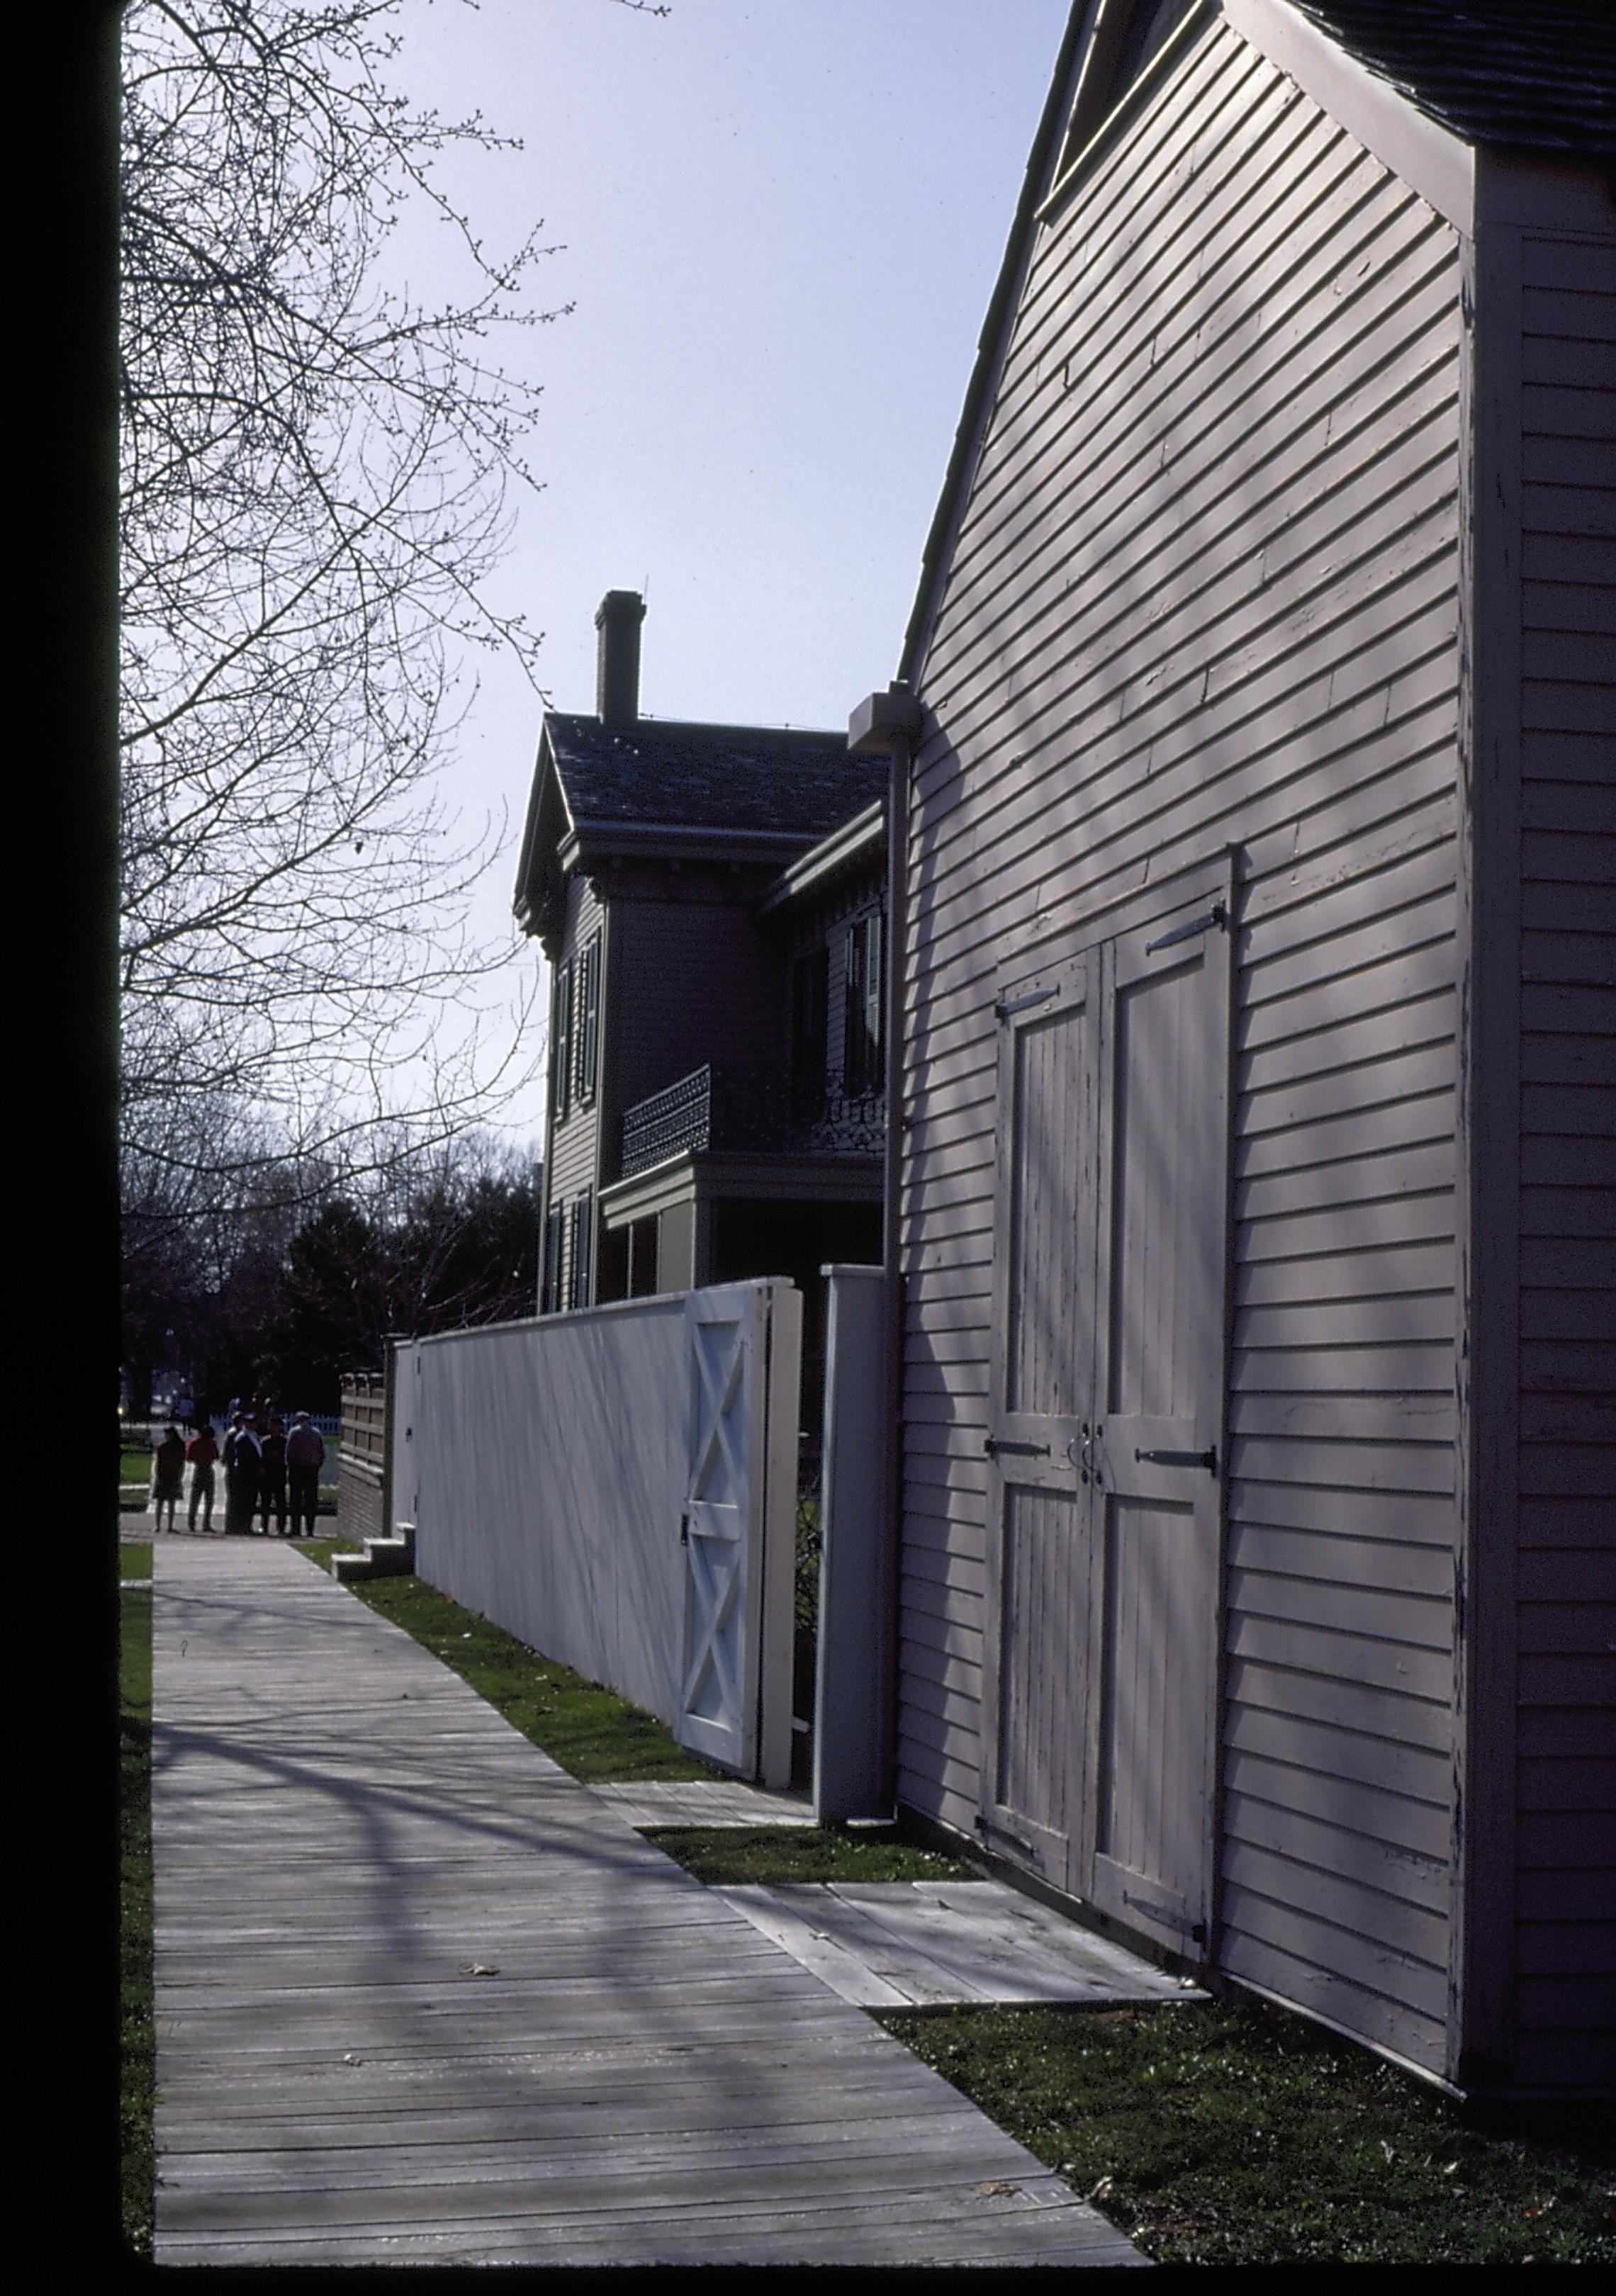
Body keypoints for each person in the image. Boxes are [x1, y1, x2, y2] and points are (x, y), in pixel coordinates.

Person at [286, 1412, 326, 1540]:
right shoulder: (316, 1433)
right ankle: (310, 1529)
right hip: (312, 1469)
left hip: (297, 1469)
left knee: (295, 1500)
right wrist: (317, 1465)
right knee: (311, 1500)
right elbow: (322, 1453)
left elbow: (289, 1452)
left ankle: (296, 1528)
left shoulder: (294, 1432)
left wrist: (289, 1466)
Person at [224, 1414, 262, 1535]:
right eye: (249, 1422)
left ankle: (246, 1525)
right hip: (244, 1473)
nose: (252, 1425)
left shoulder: (254, 1436)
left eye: (254, 1422)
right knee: (241, 1500)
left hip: (252, 1475)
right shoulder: (243, 1437)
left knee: (250, 1501)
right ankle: (237, 1526)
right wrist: (255, 1467)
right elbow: (244, 1457)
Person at [150, 1424, 186, 1534]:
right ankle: (158, 1525)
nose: (166, 1436)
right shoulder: (162, 1447)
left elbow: (181, 1463)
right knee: (160, 1502)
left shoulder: (179, 1447)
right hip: (163, 1476)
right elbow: (158, 1463)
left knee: (172, 1502)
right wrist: (158, 1474)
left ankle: (170, 1525)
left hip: (173, 1476)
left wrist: (180, 1475)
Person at [185, 1422, 220, 1533]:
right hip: (208, 1469)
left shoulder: (195, 1443)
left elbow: (189, 1458)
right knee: (209, 1499)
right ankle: (206, 1523)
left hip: (199, 1469)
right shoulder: (211, 1443)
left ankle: (192, 1523)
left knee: (195, 1498)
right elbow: (216, 1456)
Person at [258, 1416, 288, 1536]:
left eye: (274, 1425)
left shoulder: (284, 1441)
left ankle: (281, 1527)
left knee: (280, 1501)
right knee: (266, 1501)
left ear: (280, 1427)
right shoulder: (265, 1442)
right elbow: (261, 1457)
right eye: (270, 1425)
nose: (271, 1427)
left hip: (279, 1473)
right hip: (267, 1474)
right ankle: (264, 1526)